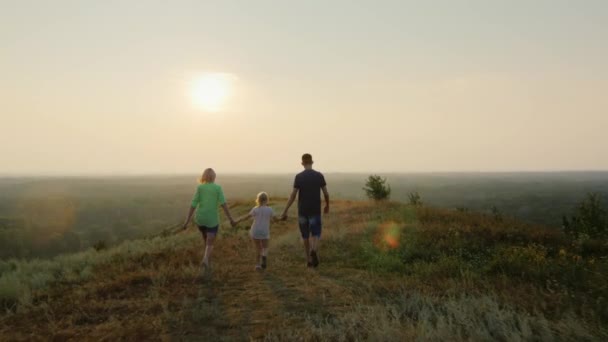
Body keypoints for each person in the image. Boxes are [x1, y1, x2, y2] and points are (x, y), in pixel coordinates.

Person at [182, 168, 236, 275]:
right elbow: (224, 204)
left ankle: (206, 260)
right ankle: (206, 260)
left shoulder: (200, 188)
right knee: (210, 241)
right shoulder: (217, 188)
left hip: (200, 219)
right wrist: (231, 219)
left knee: (206, 239)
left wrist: (187, 221)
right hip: (212, 219)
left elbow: (193, 205)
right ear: (214, 177)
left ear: (204, 177)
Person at [280, 154, 330, 268]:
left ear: (302, 163)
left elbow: (293, 195)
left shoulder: (298, 177)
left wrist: (285, 210)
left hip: (302, 211)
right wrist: (327, 205)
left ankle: (308, 260)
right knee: (316, 233)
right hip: (315, 210)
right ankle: (314, 250)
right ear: (312, 162)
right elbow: (326, 193)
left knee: (305, 235)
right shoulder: (319, 176)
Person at [234, 192, 274, 270]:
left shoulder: (255, 209)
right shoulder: (270, 209)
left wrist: (236, 221)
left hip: (255, 231)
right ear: (267, 200)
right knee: (265, 247)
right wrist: (282, 217)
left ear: (258, 200)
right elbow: (276, 219)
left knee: (258, 248)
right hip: (264, 231)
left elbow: (246, 217)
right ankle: (264, 257)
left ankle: (257, 265)